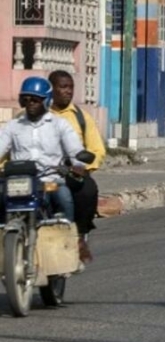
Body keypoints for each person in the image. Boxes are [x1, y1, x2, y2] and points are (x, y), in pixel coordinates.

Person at [0, 77, 90, 223]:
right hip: (19, 181)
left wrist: (78, 165)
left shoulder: (60, 125)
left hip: (50, 179)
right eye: (26, 99)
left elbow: (75, 150)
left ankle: (69, 238)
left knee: (64, 198)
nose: (30, 104)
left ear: (46, 100)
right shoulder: (13, 126)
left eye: (35, 100)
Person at [48, 71, 105, 264]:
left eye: (70, 87)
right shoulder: (34, 114)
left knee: (87, 190)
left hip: (69, 171)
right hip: (39, 173)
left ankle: (80, 235)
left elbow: (96, 149)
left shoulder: (81, 117)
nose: (68, 92)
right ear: (51, 89)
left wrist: (84, 168)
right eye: (63, 87)